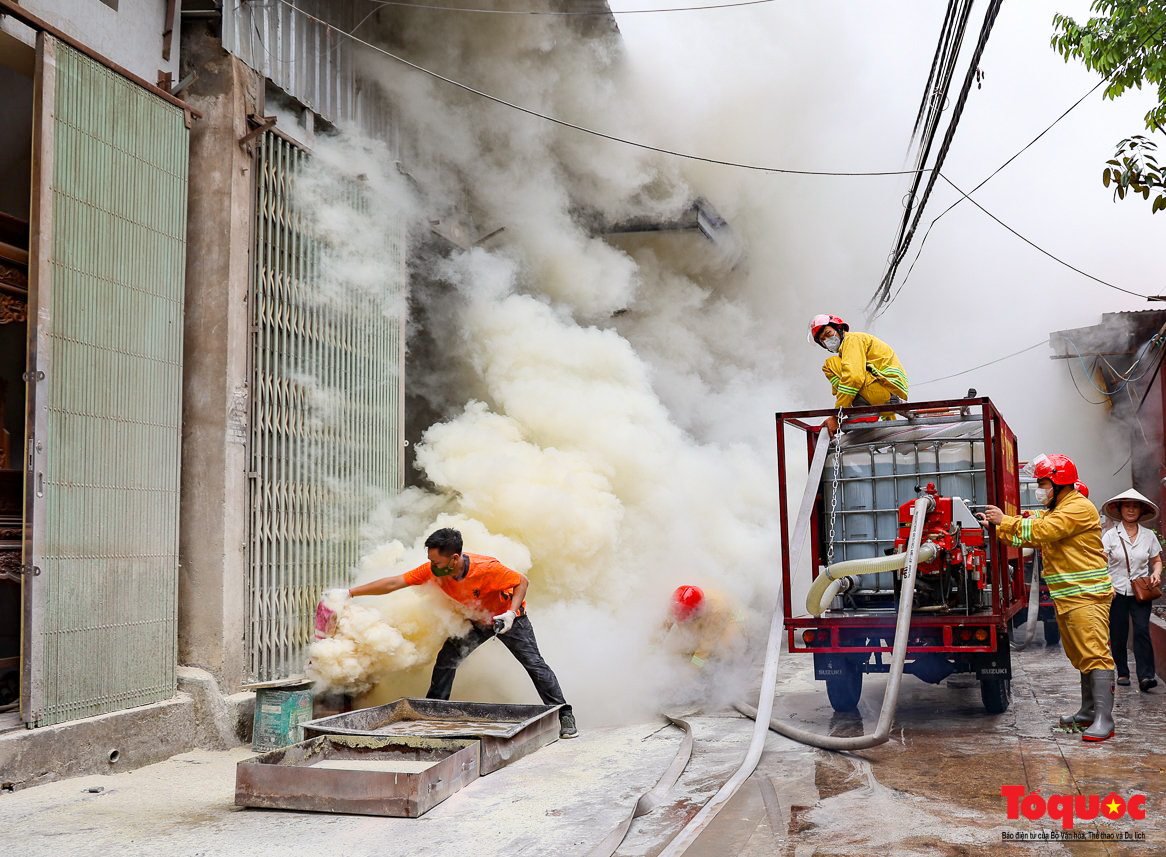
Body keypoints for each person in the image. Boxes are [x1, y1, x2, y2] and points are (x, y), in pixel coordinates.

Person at [327, 528, 577, 739]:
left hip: (508, 619)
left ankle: (564, 714)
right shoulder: (434, 570)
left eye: (436, 561)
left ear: (454, 558)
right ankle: (433, 710)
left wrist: (511, 613)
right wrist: (350, 593)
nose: (431, 566)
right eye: (430, 560)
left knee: (534, 664)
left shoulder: (487, 568)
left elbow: (521, 581)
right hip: (476, 619)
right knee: (447, 660)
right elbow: (395, 582)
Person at [978, 454, 1116, 742]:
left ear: (1059, 483)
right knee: (1080, 655)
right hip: (1071, 597)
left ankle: (1105, 718)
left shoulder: (1078, 508)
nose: (1040, 489)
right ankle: (1089, 711)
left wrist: (1006, 520)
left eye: (1043, 483)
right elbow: (1028, 535)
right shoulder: (1059, 510)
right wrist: (995, 526)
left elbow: (1042, 530)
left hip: (1087, 595)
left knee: (1094, 653)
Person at [1101, 489, 1162, 692]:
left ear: (1141, 511)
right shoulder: (1110, 536)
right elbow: (1101, 563)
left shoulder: (1148, 536)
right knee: (1118, 634)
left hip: (1141, 591)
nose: (1131, 510)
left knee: (1142, 631)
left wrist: (1156, 573)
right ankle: (1123, 672)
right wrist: (1107, 583)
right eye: (1127, 506)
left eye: (1135, 506)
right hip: (1116, 591)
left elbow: (1156, 561)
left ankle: (1146, 676)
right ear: (1120, 509)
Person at [807, 314, 908, 434]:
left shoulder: (852, 340)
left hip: (886, 394)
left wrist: (836, 416)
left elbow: (854, 378)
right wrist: (889, 420)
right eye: (823, 340)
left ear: (839, 329)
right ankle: (859, 408)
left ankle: (858, 408)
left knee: (830, 364)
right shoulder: (851, 347)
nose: (827, 340)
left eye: (828, 333)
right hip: (889, 395)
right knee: (846, 371)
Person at [662, 585, 745, 669]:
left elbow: (705, 647)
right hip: (708, 613)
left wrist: (692, 670)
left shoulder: (716, 613)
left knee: (724, 644)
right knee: (691, 635)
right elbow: (663, 627)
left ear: (695, 613)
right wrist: (652, 647)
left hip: (735, 617)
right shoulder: (678, 604)